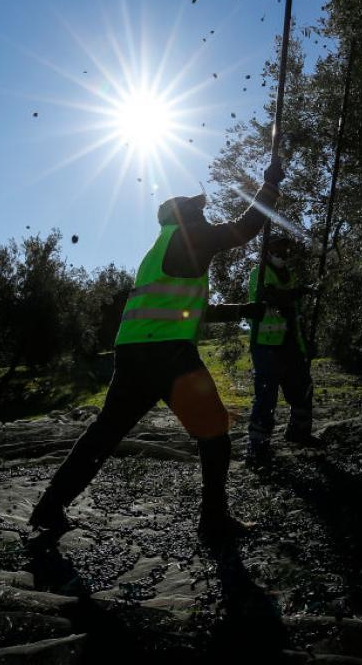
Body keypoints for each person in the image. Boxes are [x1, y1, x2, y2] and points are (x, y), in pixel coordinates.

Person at [28, 160, 285, 544]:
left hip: (134, 352)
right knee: (215, 434)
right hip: (167, 354)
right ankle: (214, 521)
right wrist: (270, 186)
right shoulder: (190, 236)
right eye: (199, 211)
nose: (205, 216)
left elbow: (191, 310)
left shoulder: (163, 250)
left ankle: (50, 506)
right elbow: (245, 228)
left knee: (105, 433)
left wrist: (243, 311)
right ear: (186, 215)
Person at [245, 235, 318, 465]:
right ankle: (257, 447)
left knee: (303, 387)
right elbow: (272, 297)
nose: (284, 254)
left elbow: (295, 313)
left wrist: (305, 343)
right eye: (279, 249)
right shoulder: (258, 273)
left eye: (286, 250)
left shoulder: (291, 276)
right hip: (266, 345)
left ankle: (299, 431)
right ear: (268, 250)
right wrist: (301, 291)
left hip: (291, 343)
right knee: (266, 395)